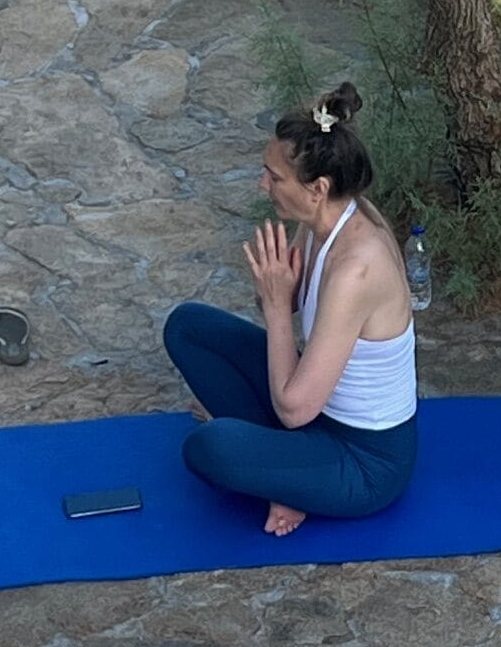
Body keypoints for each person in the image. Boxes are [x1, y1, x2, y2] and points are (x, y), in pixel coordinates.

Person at [162, 84, 418, 536]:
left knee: (210, 447)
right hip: (315, 415)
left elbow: (294, 410)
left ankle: (289, 483)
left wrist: (278, 309)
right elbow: (290, 300)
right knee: (188, 327)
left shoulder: (357, 269)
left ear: (317, 188)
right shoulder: (324, 219)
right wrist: (276, 292)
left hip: (363, 462)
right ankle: (287, 473)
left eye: (275, 177)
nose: (263, 184)